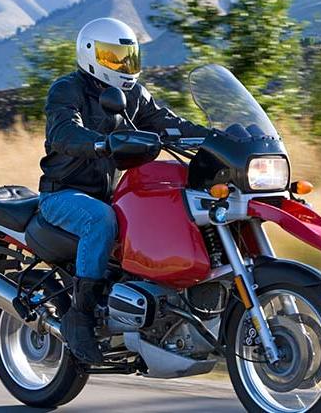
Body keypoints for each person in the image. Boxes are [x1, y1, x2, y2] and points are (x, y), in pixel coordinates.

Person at [37, 18, 209, 364]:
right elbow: (63, 133)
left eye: (127, 57)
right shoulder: (67, 89)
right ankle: (80, 316)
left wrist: (216, 138)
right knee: (99, 221)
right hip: (63, 195)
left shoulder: (134, 94)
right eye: (113, 57)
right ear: (90, 55)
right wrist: (101, 143)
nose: (122, 66)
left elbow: (166, 122)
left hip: (111, 194)